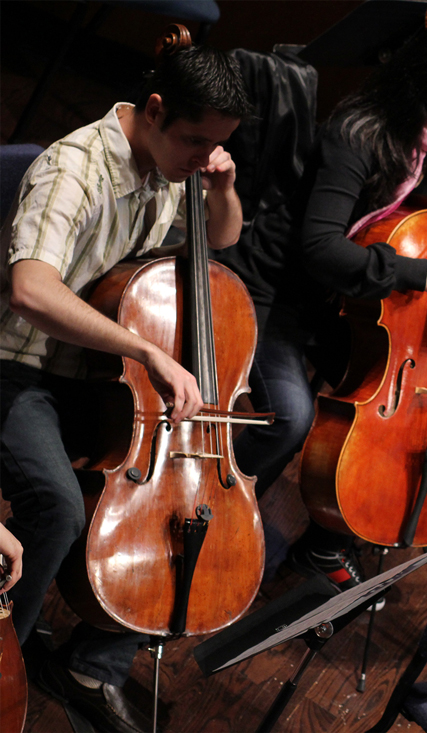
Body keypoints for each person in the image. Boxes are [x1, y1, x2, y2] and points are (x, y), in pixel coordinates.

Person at [0, 45, 250, 733]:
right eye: (196, 141)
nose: (203, 157)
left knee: (186, 511)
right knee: (57, 506)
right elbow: (30, 290)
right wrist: (142, 347)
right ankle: (4, 666)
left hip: (86, 374)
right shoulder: (72, 169)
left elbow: (220, 241)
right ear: (156, 109)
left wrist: (220, 188)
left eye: (218, 146)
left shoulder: (172, 165)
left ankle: (91, 663)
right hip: (14, 367)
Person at [223, 13, 427, 588]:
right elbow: (321, 247)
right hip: (279, 289)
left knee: (390, 418)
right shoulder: (359, 135)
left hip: (341, 300)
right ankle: (218, 507)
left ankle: (323, 543)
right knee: (292, 417)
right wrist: (416, 272)